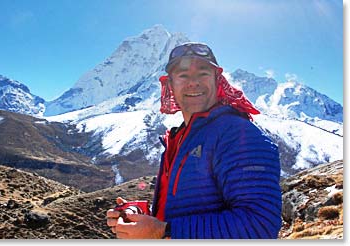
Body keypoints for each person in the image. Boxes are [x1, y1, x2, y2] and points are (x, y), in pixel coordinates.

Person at [106, 42, 282, 239]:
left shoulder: (238, 135)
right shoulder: (180, 139)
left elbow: (260, 224)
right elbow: (183, 209)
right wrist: (139, 217)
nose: (193, 82)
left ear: (217, 80)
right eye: (183, 75)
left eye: (203, 73)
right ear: (170, 85)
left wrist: (162, 231)